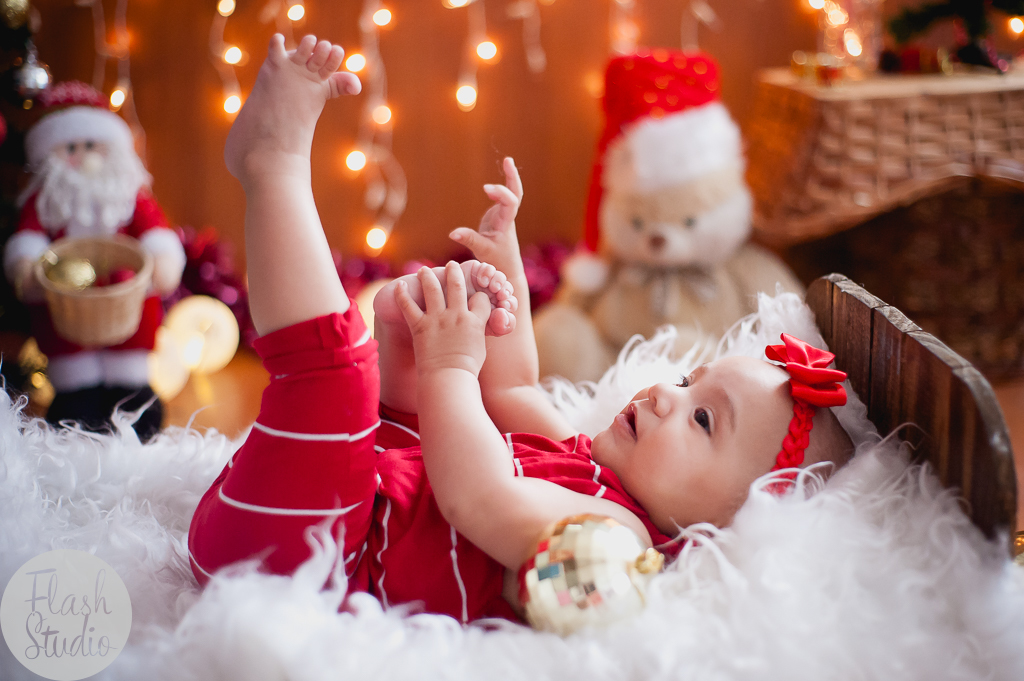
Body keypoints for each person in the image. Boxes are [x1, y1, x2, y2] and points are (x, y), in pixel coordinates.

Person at [188, 34, 854, 623]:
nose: (664, 394)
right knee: (416, 389)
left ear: (732, 522)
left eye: (704, 420)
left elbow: (476, 497)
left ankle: (270, 166)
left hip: (306, 563)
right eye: (687, 380)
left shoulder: (617, 537)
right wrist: (500, 265)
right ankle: (395, 351)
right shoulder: (591, 466)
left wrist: (450, 366)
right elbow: (515, 387)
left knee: (341, 373)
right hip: (333, 508)